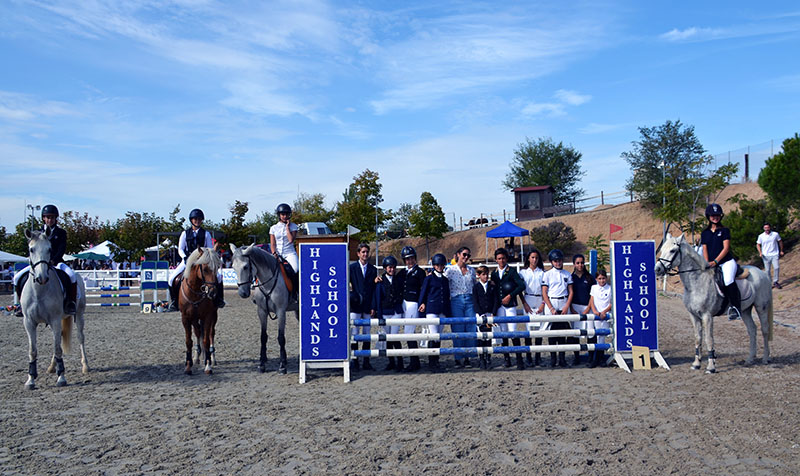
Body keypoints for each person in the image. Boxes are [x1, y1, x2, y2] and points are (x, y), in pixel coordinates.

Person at [13, 204, 79, 317]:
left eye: (52, 217)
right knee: (17, 278)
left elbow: (61, 249)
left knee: (71, 275)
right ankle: (20, 304)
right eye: (47, 217)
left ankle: (70, 302)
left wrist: (54, 260)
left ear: (55, 218)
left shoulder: (61, 232)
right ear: (43, 218)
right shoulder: (36, 234)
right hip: (39, 264)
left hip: (56, 263)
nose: (50, 220)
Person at [168, 208, 224, 311]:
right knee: (172, 279)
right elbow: (180, 248)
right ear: (191, 220)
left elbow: (210, 249)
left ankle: (219, 299)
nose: (197, 221)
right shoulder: (185, 234)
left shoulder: (206, 234)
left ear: (201, 220)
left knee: (219, 278)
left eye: (199, 219)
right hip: (188, 261)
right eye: (195, 219)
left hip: (202, 261)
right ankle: (175, 302)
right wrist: (184, 257)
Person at [700, 203, 741, 320]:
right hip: (711, 262)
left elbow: (726, 248)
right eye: (713, 215)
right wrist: (707, 262)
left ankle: (735, 308)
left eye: (717, 215)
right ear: (708, 216)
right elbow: (705, 248)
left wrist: (716, 262)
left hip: (726, 262)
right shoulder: (705, 233)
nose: (715, 217)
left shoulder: (724, 230)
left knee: (728, 280)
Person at [490, 247, 526, 369]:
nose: (501, 261)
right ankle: (507, 359)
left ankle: (519, 359)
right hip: (499, 306)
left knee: (513, 331)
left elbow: (521, 285)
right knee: (503, 331)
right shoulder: (494, 273)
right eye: (499, 258)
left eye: (503, 258)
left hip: (510, 305)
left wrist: (510, 295)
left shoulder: (512, 271)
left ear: (506, 259)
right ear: (496, 260)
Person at [444, 246, 477, 368]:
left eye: (468, 255)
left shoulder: (472, 270)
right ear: (458, 254)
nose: (466, 257)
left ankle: (468, 356)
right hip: (456, 300)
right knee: (458, 328)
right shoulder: (450, 270)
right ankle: (458, 357)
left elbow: (475, 285)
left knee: (470, 327)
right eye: (464, 254)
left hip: (469, 300)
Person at [418, 253, 450, 372]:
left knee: (439, 337)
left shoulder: (445, 280)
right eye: (437, 265)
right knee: (433, 335)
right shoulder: (429, 278)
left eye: (441, 265)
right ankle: (431, 362)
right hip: (431, 309)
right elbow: (423, 293)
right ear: (434, 266)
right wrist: (422, 304)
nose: (440, 267)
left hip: (442, 310)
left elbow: (447, 296)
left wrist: (448, 311)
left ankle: (436, 361)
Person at [541, 249, 574, 367]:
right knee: (552, 332)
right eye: (555, 261)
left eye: (559, 260)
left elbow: (570, 291)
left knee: (563, 331)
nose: (558, 263)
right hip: (552, 302)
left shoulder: (567, 274)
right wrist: (550, 308)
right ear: (552, 262)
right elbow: (544, 292)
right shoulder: (547, 274)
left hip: (563, 301)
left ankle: (562, 358)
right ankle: (553, 358)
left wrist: (566, 306)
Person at [395, 246, 425, 372]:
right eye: (407, 259)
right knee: (400, 330)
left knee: (409, 331)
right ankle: (401, 360)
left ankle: (414, 361)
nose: (410, 261)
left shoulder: (420, 272)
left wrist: (422, 302)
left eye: (411, 258)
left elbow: (423, 289)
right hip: (403, 302)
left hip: (413, 303)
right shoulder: (402, 273)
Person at [373, 256, 405, 371]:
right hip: (385, 311)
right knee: (387, 339)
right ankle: (391, 361)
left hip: (396, 311)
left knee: (395, 337)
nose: (392, 269)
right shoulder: (380, 282)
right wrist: (379, 314)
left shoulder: (398, 280)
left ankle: (400, 362)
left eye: (393, 267)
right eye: (390, 267)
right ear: (385, 268)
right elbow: (378, 299)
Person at [349, 243, 377, 371]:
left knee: (366, 334)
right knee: (354, 333)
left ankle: (366, 360)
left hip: (367, 305)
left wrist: (373, 306)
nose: (365, 254)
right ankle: (354, 360)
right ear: (358, 253)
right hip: (355, 304)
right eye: (363, 252)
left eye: (367, 252)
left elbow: (374, 289)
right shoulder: (352, 267)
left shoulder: (373, 269)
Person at [519, 249, 545, 367]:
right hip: (528, 299)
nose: (534, 260)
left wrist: (543, 303)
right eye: (532, 257)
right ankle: (529, 356)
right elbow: (519, 289)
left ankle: (538, 357)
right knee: (528, 329)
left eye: (536, 258)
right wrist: (524, 302)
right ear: (528, 259)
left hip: (540, 299)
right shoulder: (523, 273)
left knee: (539, 329)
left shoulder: (543, 273)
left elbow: (546, 290)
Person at [569, 254, 596, 366]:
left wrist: (588, 308)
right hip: (575, 307)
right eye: (578, 263)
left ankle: (591, 357)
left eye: (582, 262)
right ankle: (576, 357)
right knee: (576, 333)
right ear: (574, 264)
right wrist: (571, 308)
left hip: (587, 306)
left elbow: (593, 295)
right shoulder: (571, 278)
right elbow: (569, 294)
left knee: (590, 332)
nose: (580, 265)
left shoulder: (589, 278)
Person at [472, 265, 499, 370]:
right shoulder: (476, 287)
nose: (486, 276)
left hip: (490, 314)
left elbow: (496, 300)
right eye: (483, 274)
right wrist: (480, 312)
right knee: (481, 337)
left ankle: (488, 358)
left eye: (487, 274)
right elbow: (475, 301)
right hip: (480, 314)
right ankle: (481, 358)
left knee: (489, 337)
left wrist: (493, 312)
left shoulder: (492, 286)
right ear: (478, 275)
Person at [587, 269, 612, 368]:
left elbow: (611, 302)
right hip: (596, 314)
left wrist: (604, 312)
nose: (602, 281)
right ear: (596, 279)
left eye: (603, 278)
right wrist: (594, 311)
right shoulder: (594, 287)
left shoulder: (610, 288)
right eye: (599, 279)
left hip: (605, 315)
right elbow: (591, 300)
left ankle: (600, 358)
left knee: (602, 336)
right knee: (595, 335)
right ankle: (594, 358)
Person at [269, 203, 299, 273]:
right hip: (277, 254)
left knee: (296, 269)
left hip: (290, 253)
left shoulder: (293, 226)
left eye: (287, 214)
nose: (285, 216)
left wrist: (287, 228)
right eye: (283, 215)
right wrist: (274, 253)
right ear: (279, 215)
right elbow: (273, 244)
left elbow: (291, 240)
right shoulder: (273, 228)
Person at [756, 222, 784, 289]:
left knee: (776, 267)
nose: (767, 229)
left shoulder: (775, 234)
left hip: (774, 254)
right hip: (766, 255)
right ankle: (769, 283)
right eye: (765, 228)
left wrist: (781, 250)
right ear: (763, 228)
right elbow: (758, 244)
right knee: (767, 270)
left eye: (768, 227)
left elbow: (780, 241)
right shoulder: (761, 236)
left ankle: (775, 281)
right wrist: (760, 252)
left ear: (770, 227)